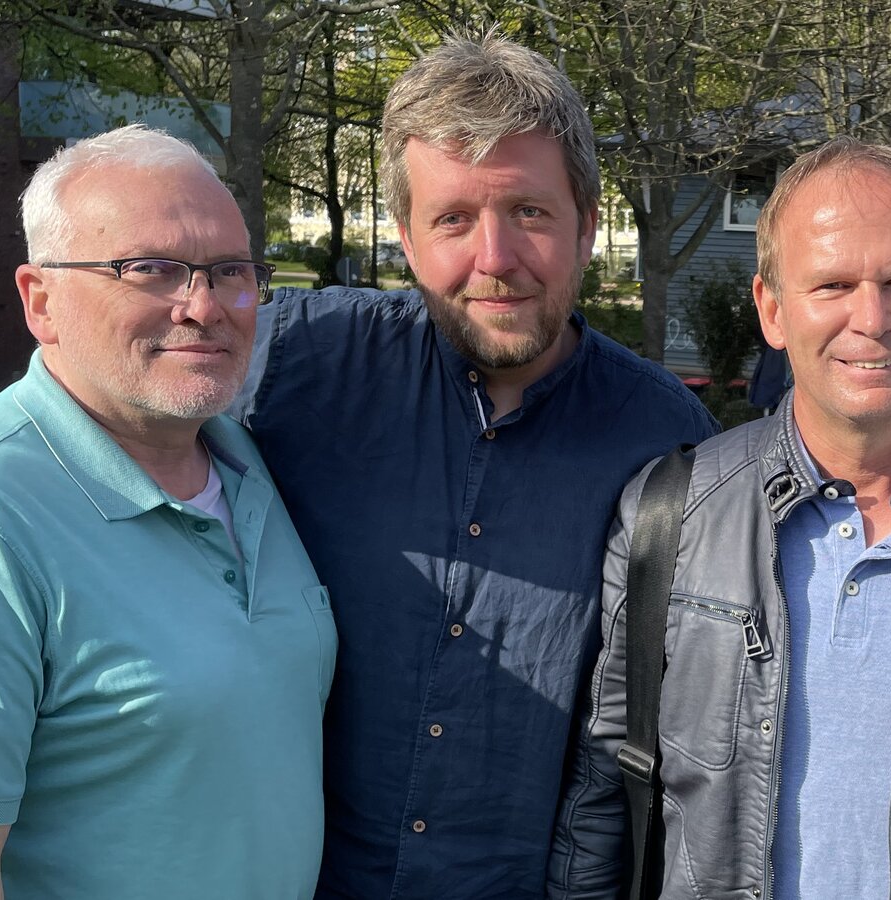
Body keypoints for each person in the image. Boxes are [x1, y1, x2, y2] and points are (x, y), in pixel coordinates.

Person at [549, 138, 891, 900]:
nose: (872, 318)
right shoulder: (669, 518)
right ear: (772, 310)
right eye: (833, 284)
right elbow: (600, 799)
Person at [236, 36, 717, 898]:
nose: (495, 259)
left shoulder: (670, 441)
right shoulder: (290, 366)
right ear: (406, 237)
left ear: (588, 225)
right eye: (453, 219)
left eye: (529, 212)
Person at [0, 126, 334, 899]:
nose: (204, 306)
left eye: (230, 270)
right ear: (41, 301)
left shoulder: (250, 466)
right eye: (150, 269)